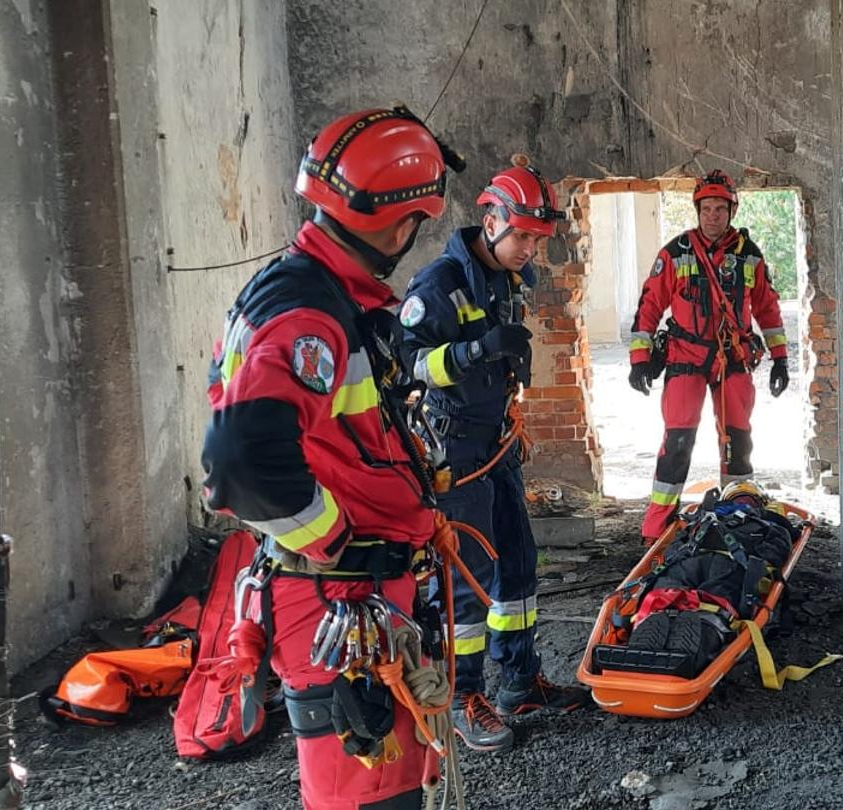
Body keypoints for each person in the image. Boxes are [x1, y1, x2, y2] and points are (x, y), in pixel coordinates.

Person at [201, 106, 459, 810]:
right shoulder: (308, 315)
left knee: (393, 780)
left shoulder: (328, 299)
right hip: (343, 599)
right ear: (402, 223)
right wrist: (335, 541)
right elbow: (240, 463)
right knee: (368, 792)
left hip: (365, 592)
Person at [399, 157, 589, 752]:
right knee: (467, 577)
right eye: (523, 236)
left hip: (496, 440)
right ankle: (461, 696)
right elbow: (406, 365)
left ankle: (518, 679)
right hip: (454, 444)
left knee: (519, 563)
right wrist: (473, 350)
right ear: (492, 218)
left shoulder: (507, 280)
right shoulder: (438, 286)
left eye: (538, 238)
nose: (530, 248)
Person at [626, 170, 792, 541]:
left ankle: (739, 514)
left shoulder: (748, 255)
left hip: (733, 360)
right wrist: (639, 358)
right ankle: (656, 528)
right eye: (706, 208)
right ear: (697, 210)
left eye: (720, 208)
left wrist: (780, 357)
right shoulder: (676, 252)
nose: (712, 216)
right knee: (678, 442)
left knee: (738, 443)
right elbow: (650, 305)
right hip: (686, 357)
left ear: (731, 211)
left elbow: (767, 307)